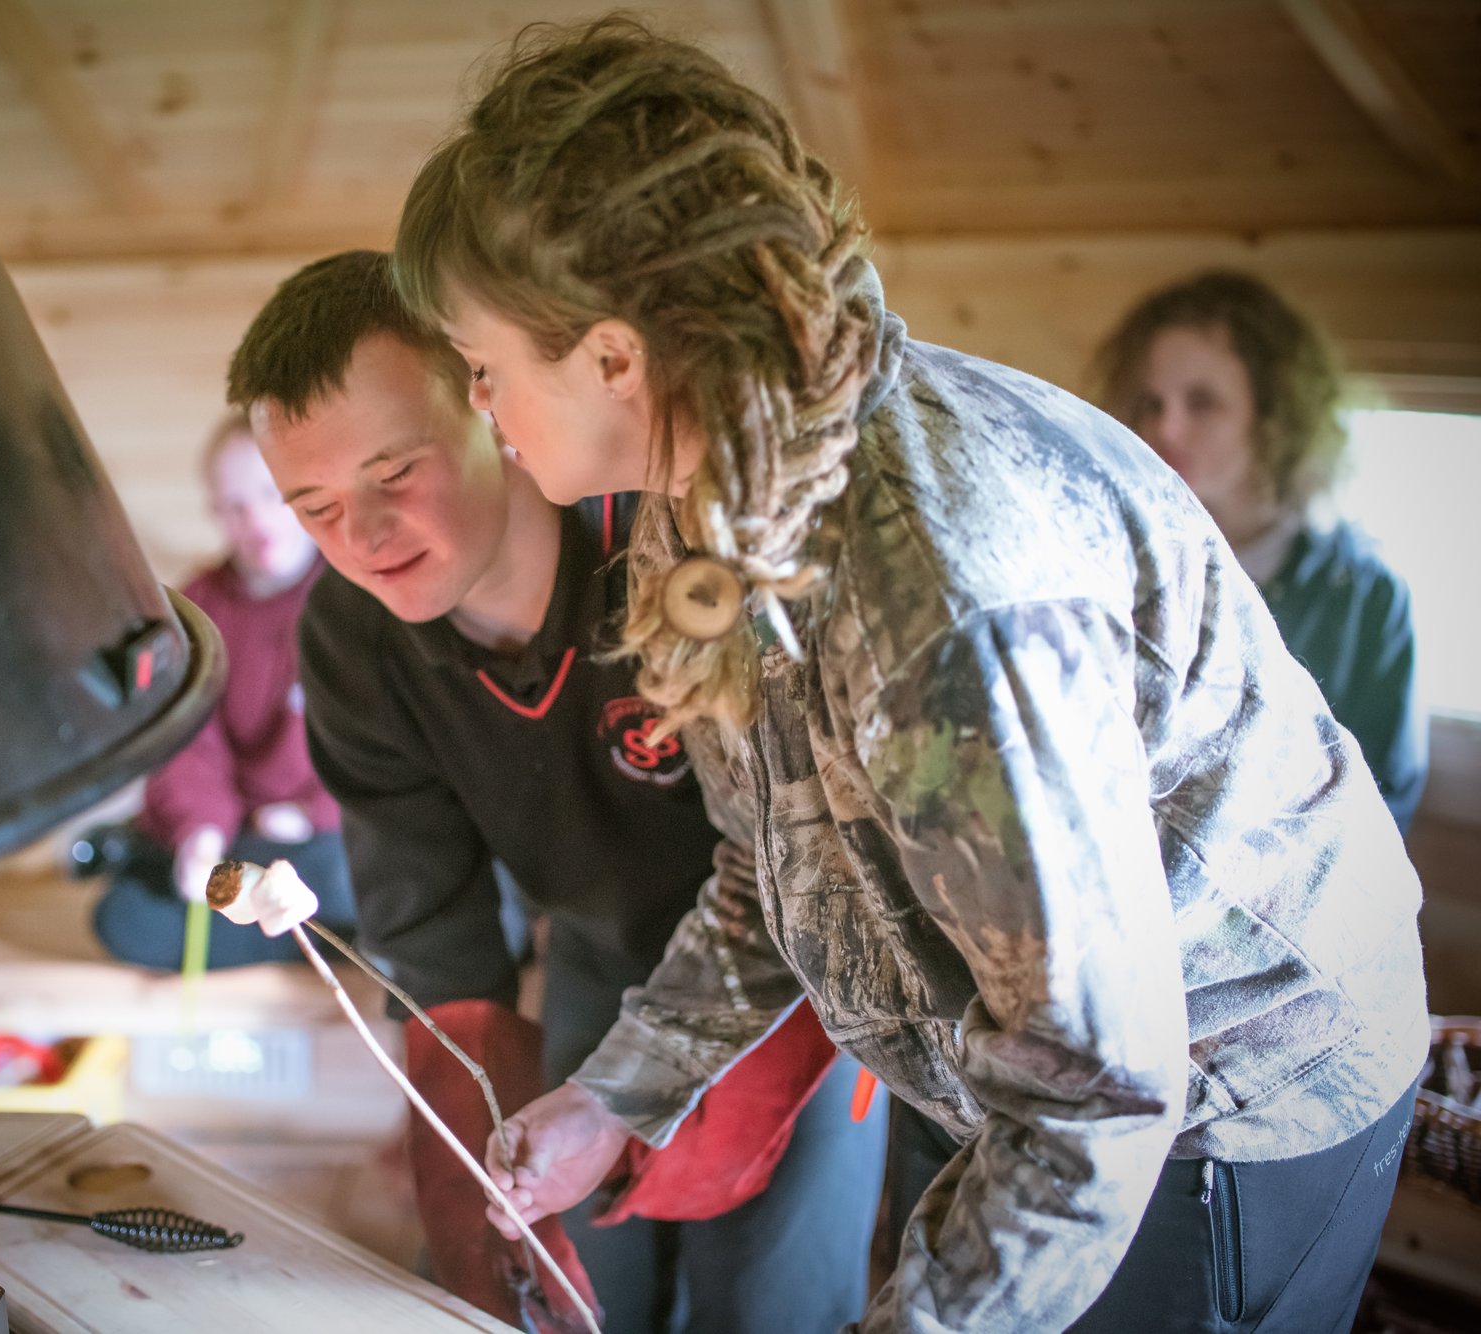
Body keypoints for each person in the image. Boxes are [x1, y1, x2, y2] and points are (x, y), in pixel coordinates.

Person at [391, 18, 1426, 1334]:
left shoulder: (951, 595)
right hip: (1019, 1077)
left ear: (612, 355)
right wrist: (616, 1095)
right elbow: (782, 863)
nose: (480, 405)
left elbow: (1098, 1090)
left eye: (485, 366)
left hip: (1222, 1103)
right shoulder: (715, 488)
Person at [226, 249, 885, 1334]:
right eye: (314, 506)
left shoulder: (677, 550)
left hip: (795, 974)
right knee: (564, 1291)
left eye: (394, 474)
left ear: (490, 402)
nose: (365, 537)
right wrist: (461, 1174)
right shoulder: (349, 638)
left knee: (770, 1304)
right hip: (592, 952)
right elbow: (427, 918)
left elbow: (796, 856)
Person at [1094, 271, 1427, 832]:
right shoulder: (1111, 561)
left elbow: (1382, 803)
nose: (1165, 427)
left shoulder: (1367, 598)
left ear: (1275, 417)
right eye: (1151, 402)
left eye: (1202, 402)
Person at [90, 413, 355, 970]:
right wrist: (200, 833)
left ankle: (315, 927)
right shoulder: (196, 608)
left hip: (331, 839)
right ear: (215, 513)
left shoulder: (355, 591)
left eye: (270, 494)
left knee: (361, 875)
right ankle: (319, 937)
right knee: (126, 918)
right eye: (235, 504)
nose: (255, 517)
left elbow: (390, 747)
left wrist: (313, 814)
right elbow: (185, 739)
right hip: (242, 843)